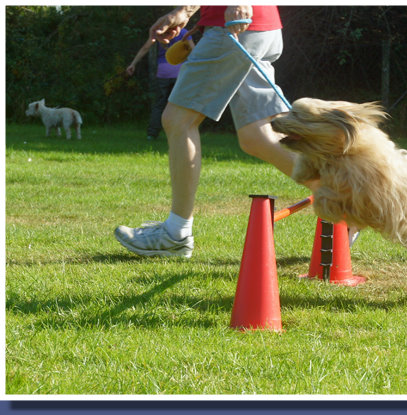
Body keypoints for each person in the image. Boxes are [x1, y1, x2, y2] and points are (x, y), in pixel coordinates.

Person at [115, 5, 309, 257]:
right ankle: (344, 197)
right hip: (258, 24)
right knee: (258, 136)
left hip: (233, 24)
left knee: (178, 119)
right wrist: (185, 11)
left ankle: (176, 233)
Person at [126, 28, 195, 140]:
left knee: (159, 105)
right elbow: (193, 50)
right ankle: (177, 134)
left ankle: (152, 134)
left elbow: (145, 47)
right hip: (179, 72)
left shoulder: (160, 31)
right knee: (178, 105)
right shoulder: (183, 31)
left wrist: (133, 64)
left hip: (162, 73)